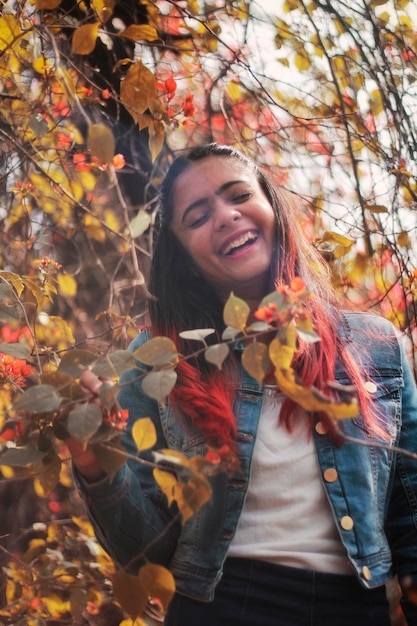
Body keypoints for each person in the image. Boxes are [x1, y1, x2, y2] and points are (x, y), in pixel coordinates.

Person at [71, 143, 417, 625]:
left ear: (271, 206)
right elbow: (145, 555)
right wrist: (92, 462)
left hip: (355, 608)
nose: (226, 216)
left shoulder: (377, 347)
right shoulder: (158, 362)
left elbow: (410, 512)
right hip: (222, 606)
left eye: (237, 195)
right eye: (197, 217)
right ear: (184, 257)